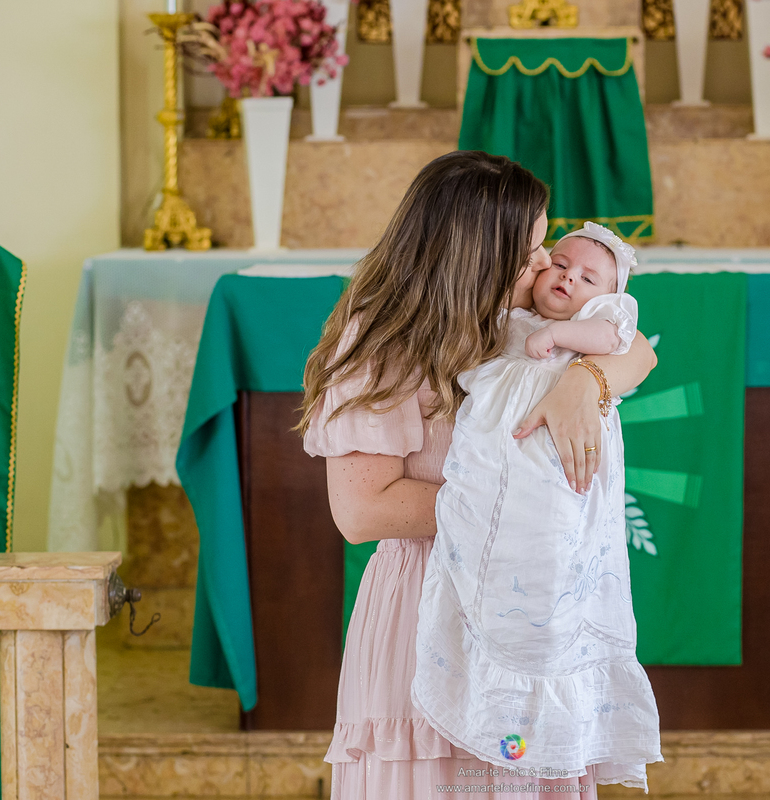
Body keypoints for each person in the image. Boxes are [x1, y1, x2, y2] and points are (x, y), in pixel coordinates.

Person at [299, 151, 658, 799]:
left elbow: (634, 346)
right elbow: (362, 509)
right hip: (430, 602)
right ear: (474, 255)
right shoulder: (380, 344)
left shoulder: (516, 323)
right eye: (530, 254)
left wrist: (585, 380)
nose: (548, 265)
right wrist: (521, 508)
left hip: (529, 613)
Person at [412, 221, 663, 791]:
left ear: (607, 295)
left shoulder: (594, 326)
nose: (567, 277)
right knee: (485, 575)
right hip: (489, 479)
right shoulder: (513, 316)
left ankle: (528, 730)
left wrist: (566, 346)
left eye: (587, 277)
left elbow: (623, 343)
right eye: (559, 264)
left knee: (547, 574)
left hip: (551, 487)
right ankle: (497, 717)